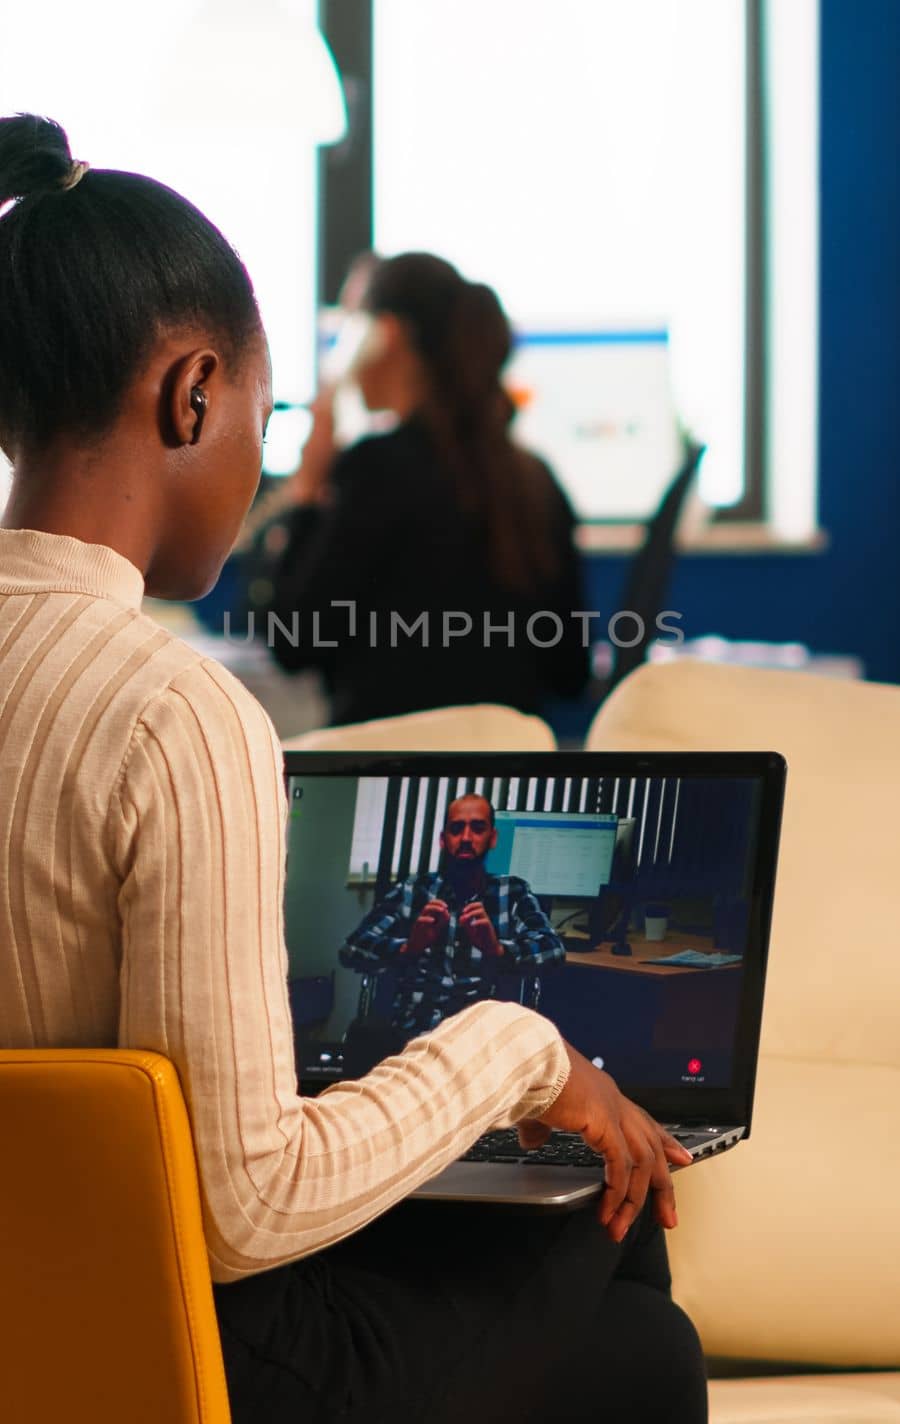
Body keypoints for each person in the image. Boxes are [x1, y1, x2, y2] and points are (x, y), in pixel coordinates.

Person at [0, 114, 706, 1424]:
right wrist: (525, 1050)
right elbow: (243, 1207)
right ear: (190, 392)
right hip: (196, 1349)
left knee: (639, 1354)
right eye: (263, 424)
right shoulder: (174, 716)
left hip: (24, 1315)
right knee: (618, 1249)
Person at [243, 251, 592, 725]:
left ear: (384, 335)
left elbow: (294, 643)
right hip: (507, 786)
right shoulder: (534, 480)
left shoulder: (375, 468)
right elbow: (570, 673)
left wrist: (306, 495)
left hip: (389, 785)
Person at [340, 792, 565, 1037]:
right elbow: (352, 949)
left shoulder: (511, 893)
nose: (466, 838)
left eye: (478, 828)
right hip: (413, 1035)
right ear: (443, 840)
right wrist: (410, 947)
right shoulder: (414, 891)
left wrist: (497, 950)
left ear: (493, 838)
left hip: (479, 1038)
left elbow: (553, 951)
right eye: (456, 829)